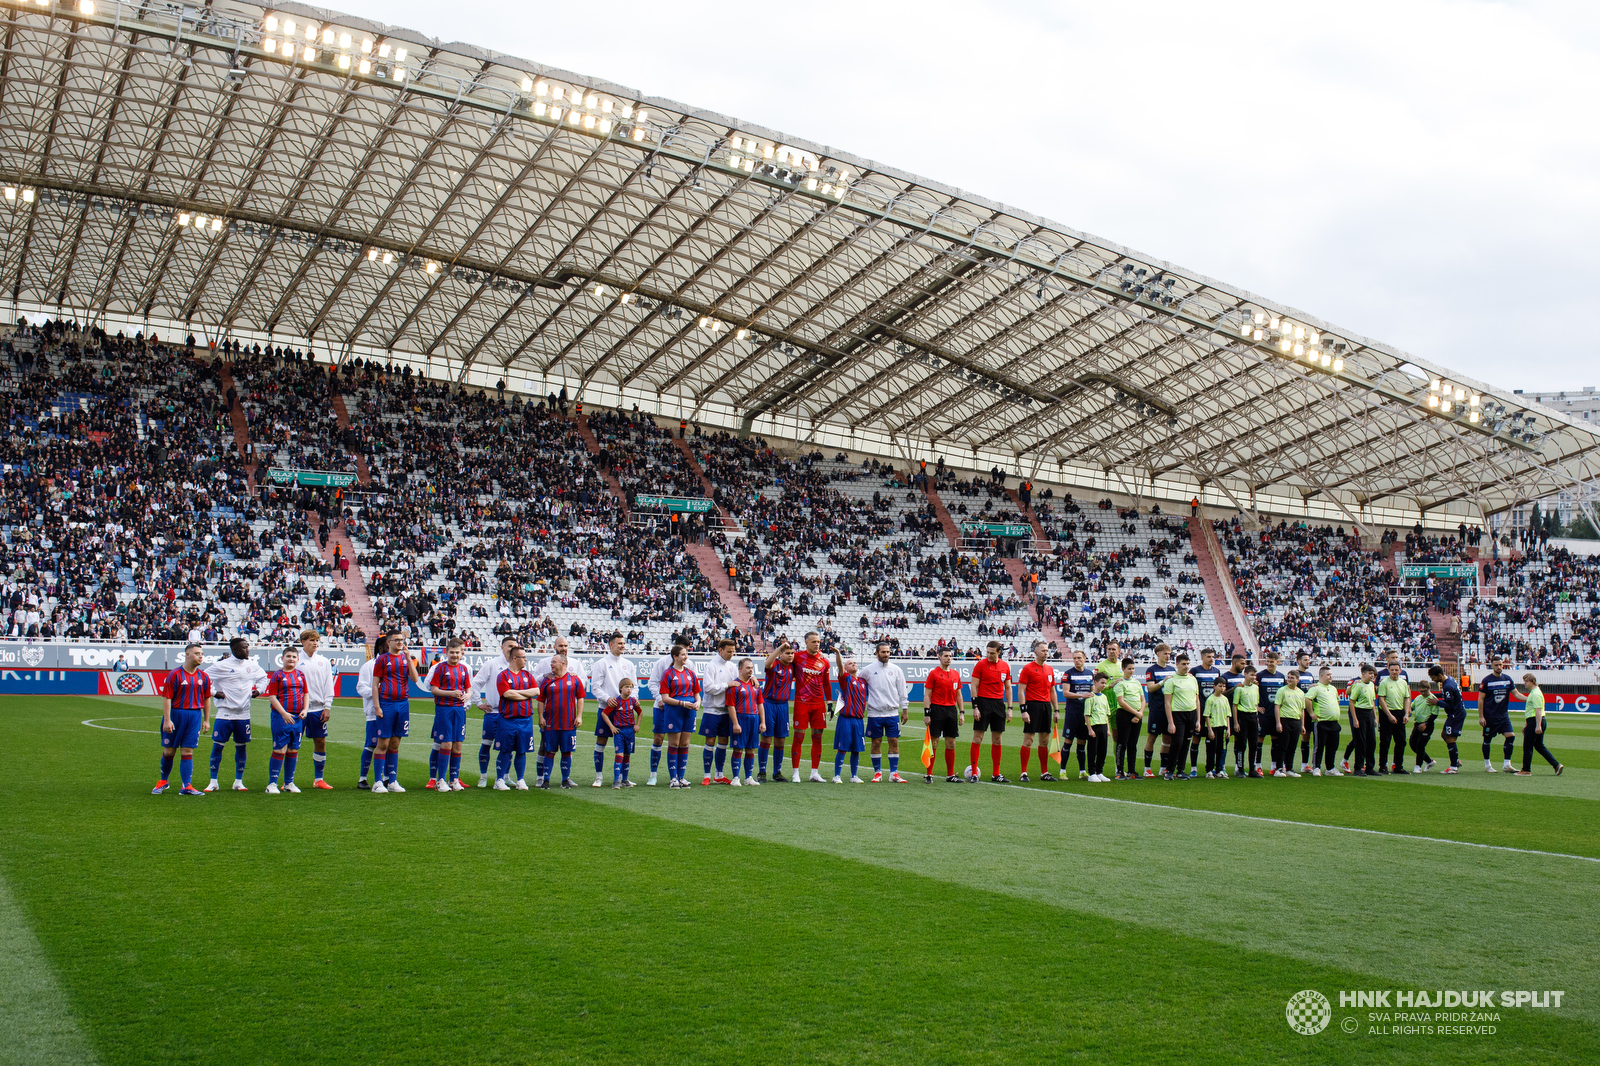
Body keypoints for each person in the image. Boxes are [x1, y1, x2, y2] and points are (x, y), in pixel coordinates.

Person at [205, 637, 268, 792]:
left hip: (243, 714)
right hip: (224, 713)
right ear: (234, 650)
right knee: (218, 747)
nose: (247, 650)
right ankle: (213, 781)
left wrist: (259, 690)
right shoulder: (221, 666)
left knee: (241, 747)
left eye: (247, 646)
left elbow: (263, 678)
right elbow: (204, 679)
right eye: (244, 647)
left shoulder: (252, 665)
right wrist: (214, 692)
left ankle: (238, 782)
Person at [153, 642, 212, 796]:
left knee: (188, 750)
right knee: (170, 750)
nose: (200, 656)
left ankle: (186, 786)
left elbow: (206, 699)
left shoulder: (204, 676)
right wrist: (167, 720)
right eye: (197, 653)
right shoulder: (175, 674)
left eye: (202, 654)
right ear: (187, 655)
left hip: (194, 716)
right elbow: (167, 698)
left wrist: (206, 720)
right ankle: (163, 781)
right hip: (176, 714)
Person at [371, 630, 421, 793]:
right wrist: (377, 706)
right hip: (386, 703)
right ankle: (378, 782)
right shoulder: (382, 660)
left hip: (402, 704)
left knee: (395, 743)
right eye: (397, 640)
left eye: (402, 639)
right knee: (383, 742)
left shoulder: (406, 659)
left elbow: (415, 679)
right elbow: (375, 684)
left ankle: (392, 780)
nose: (400, 642)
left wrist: (408, 658)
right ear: (388, 642)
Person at [588, 632, 636, 788]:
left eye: (623, 643)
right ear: (611, 645)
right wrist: (607, 698)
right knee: (601, 741)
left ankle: (623, 778)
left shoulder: (628, 664)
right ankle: (598, 776)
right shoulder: (601, 663)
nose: (622, 646)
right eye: (619, 643)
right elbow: (595, 687)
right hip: (607, 709)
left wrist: (634, 701)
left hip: (624, 713)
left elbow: (633, 687)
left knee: (625, 747)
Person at [425, 637, 473, 791]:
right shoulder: (440, 668)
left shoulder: (464, 669)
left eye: (457, 653)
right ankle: (440, 780)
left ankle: (454, 779)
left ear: (461, 653)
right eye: (452, 652)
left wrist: (468, 695)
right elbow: (434, 690)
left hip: (459, 710)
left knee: (458, 744)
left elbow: (469, 689)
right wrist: (451, 693)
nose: (455, 655)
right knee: (446, 743)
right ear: (446, 653)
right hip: (444, 709)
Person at [859, 640, 910, 783]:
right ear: (877, 653)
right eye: (883, 652)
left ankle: (894, 773)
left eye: (888, 652)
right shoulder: (868, 670)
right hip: (875, 713)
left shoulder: (897, 670)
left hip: (892, 712)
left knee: (894, 741)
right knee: (876, 742)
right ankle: (877, 773)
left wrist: (904, 709)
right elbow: (858, 686)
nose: (886, 654)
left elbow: (902, 691)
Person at [472, 636, 518, 787]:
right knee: (486, 744)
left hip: (510, 713)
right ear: (502, 647)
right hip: (493, 712)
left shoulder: (517, 666)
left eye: (515, 646)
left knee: (508, 747)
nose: (512, 649)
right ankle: (483, 776)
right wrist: (478, 702)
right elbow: (476, 683)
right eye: (509, 646)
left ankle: (505, 776)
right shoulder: (492, 664)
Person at [263, 646, 308, 794]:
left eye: (294, 657)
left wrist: (305, 710)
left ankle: (289, 783)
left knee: (293, 749)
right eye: (288, 656)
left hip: (297, 718)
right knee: (280, 749)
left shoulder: (301, 674)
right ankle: (272, 784)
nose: (291, 659)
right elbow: (272, 696)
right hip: (281, 717)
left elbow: (306, 694)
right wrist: (283, 713)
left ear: (298, 659)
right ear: (282, 658)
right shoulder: (277, 675)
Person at [536, 655, 586, 789]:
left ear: (563, 663)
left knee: (566, 751)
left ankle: (565, 779)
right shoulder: (547, 681)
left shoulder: (574, 680)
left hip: (569, 723)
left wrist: (579, 716)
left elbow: (580, 698)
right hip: (551, 723)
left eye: (554, 662)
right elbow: (540, 700)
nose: (551, 664)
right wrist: (541, 717)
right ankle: (546, 780)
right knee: (549, 751)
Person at [494, 645, 539, 790]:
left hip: (525, 720)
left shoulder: (527, 675)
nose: (525, 660)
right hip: (508, 719)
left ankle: (520, 779)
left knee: (522, 750)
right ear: (514, 658)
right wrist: (525, 695)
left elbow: (536, 691)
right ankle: (499, 779)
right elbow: (507, 694)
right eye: (523, 657)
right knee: (505, 750)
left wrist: (517, 692)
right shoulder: (503, 675)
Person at [657, 645, 703, 789]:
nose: (686, 657)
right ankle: (673, 778)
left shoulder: (691, 673)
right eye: (682, 654)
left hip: (689, 711)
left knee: (685, 744)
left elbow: (697, 694)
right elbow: (664, 698)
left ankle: (681, 777)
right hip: (674, 711)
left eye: (686, 654)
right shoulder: (668, 673)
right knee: (674, 744)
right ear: (675, 657)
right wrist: (682, 703)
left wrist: (697, 703)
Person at [968, 640, 1012, 783]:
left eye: (992, 653)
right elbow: (974, 686)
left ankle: (996, 774)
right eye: (987, 652)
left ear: (999, 652)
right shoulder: (980, 665)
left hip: (999, 704)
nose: (989, 655)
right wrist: (975, 707)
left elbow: (1008, 688)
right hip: (983, 703)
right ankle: (974, 773)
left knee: (998, 739)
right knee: (977, 738)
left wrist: (1010, 708)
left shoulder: (1005, 666)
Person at [791, 631, 831, 783]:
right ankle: (796, 772)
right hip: (802, 702)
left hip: (818, 704)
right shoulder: (797, 657)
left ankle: (814, 772)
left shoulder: (824, 661)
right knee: (799, 736)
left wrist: (829, 703)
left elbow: (827, 684)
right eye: (813, 641)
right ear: (806, 642)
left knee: (818, 738)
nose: (817, 644)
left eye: (818, 641)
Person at [297, 629, 336, 789]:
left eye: (317, 640)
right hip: (299, 710)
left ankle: (318, 779)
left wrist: (327, 707)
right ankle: (288, 780)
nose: (315, 643)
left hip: (318, 709)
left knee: (320, 742)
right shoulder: (296, 659)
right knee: (293, 744)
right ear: (303, 642)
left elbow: (328, 684)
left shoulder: (324, 661)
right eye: (311, 640)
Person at [647, 641, 688, 786]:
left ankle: (677, 776)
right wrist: (659, 699)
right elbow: (652, 683)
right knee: (658, 739)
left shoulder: (689, 664)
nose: (686, 653)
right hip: (661, 707)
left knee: (680, 742)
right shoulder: (661, 663)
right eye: (684, 649)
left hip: (679, 709)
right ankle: (653, 774)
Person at [699, 638, 740, 786]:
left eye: (733, 652)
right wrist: (726, 685)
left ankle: (719, 774)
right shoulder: (711, 666)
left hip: (727, 711)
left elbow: (739, 681)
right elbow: (708, 688)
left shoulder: (732, 666)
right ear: (720, 650)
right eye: (728, 651)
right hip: (712, 710)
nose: (731, 654)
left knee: (723, 742)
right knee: (710, 741)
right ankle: (706, 775)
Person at [1016, 642, 1059, 783]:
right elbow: (1021, 690)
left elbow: (1052, 691)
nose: (1046, 653)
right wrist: (1024, 710)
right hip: (1032, 706)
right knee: (1029, 740)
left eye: (1047, 650)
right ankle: (1023, 772)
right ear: (1035, 652)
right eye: (1043, 650)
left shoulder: (1050, 670)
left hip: (1046, 706)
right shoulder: (1027, 669)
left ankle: (1044, 772)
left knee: (1044, 741)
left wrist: (1056, 710)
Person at [924, 647, 966, 783]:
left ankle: (950, 775)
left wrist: (962, 712)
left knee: (951, 743)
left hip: (951, 710)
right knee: (934, 742)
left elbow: (959, 695)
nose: (949, 658)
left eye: (950, 656)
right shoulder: (933, 674)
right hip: (937, 710)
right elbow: (927, 695)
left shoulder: (955, 674)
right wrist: (927, 713)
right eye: (946, 656)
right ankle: (929, 774)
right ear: (939, 657)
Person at [1514, 672, 1563, 776]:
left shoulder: (1535, 694)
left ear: (1532, 681)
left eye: (1526, 681)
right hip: (1535, 721)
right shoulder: (1535, 692)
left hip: (1535, 721)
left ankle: (1526, 769)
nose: (1525, 684)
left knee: (1527, 746)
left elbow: (1538, 710)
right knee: (1539, 746)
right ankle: (1556, 765)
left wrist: (1537, 725)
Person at [356, 634, 389, 789]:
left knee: (390, 744)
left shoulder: (395, 664)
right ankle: (363, 778)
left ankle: (388, 777)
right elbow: (361, 688)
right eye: (389, 645)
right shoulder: (368, 666)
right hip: (374, 712)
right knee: (371, 744)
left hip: (392, 710)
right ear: (381, 647)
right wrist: (378, 692)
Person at [1160, 653, 1200, 780]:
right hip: (1178, 714)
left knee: (1186, 743)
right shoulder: (1171, 680)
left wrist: (1198, 720)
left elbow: (1197, 700)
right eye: (1183, 664)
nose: (1186, 666)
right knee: (1177, 742)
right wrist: (1171, 722)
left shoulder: (1193, 679)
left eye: (1187, 664)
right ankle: (1169, 770)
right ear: (1177, 665)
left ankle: (1181, 770)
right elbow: (1167, 702)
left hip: (1191, 714)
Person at [759, 641, 794, 782]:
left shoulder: (792, 668)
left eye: (792, 653)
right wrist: (780, 647)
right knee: (766, 738)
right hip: (769, 704)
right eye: (787, 653)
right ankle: (762, 772)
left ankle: (777, 772)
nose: (791, 656)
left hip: (783, 706)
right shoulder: (774, 665)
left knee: (780, 740)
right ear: (781, 654)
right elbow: (767, 664)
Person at [727, 659, 764, 786]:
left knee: (751, 749)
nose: (750, 670)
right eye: (748, 667)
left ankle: (748, 777)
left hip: (754, 719)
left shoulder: (755, 685)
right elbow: (731, 706)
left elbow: (760, 704)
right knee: (738, 749)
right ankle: (735, 777)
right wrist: (735, 723)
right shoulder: (735, 685)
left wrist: (762, 722)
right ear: (740, 668)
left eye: (752, 668)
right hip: (741, 718)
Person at [832, 651, 868, 783]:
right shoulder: (845, 678)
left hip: (858, 720)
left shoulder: (863, 682)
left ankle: (854, 776)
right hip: (846, 718)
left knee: (856, 749)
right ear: (846, 668)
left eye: (854, 663)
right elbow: (840, 666)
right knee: (843, 748)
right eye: (850, 663)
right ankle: (837, 775)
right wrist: (838, 654)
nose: (853, 664)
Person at [1188, 647, 1224, 777]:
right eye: (1209, 657)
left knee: (1212, 740)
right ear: (1202, 657)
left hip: (1213, 713)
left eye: (1213, 656)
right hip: (1199, 710)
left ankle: (1211, 768)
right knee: (1196, 738)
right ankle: (1193, 768)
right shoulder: (1195, 671)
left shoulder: (1216, 672)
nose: (1211, 659)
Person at [1141, 643, 1176, 777]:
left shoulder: (1173, 669)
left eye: (1169, 654)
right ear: (1158, 654)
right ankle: (1147, 768)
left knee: (1167, 739)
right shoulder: (1151, 670)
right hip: (1157, 709)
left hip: (1170, 709)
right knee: (1152, 738)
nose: (1168, 656)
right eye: (1165, 653)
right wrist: (1163, 682)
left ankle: (1163, 767)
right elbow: (1150, 688)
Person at [1477, 657, 1517, 773]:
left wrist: (1530, 699)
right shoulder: (1486, 681)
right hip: (1490, 716)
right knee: (1487, 740)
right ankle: (1487, 765)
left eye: (1500, 664)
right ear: (1491, 666)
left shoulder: (1508, 679)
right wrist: (1481, 716)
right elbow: (1481, 699)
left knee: (1511, 736)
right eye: (1496, 665)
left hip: (1503, 716)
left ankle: (1506, 764)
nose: (1499, 667)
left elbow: (1516, 694)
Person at [603, 677, 643, 787]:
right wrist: (611, 726)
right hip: (619, 732)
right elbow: (604, 714)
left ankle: (625, 780)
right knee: (619, 754)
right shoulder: (616, 701)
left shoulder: (633, 701)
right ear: (621, 688)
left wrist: (637, 725)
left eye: (631, 687)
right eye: (627, 687)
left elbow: (640, 712)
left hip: (630, 731)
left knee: (627, 755)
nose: (629, 689)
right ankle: (616, 780)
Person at [1253, 651, 1288, 776]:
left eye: (1271, 662)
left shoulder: (1281, 676)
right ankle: (1258, 766)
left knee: (1276, 740)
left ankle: (1274, 766)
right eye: (1267, 661)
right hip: (1263, 714)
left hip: (1276, 715)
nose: (1269, 664)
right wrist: (1256, 706)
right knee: (1259, 740)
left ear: (1277, 662)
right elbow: (1253, 690)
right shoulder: (1260, 675)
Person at [1376, 660, 1413, 775]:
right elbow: (1381, 699)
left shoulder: (1403, 683)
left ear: (1400, 670)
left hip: (1399, 712)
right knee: (1385, 741)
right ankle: (1382, 766)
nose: (1394, 672)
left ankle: (1398, 766)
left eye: (1396, 670)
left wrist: (1406, 713)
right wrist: (1389, 715)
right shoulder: (1384, 683)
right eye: (1392, 670)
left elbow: (1407, 698)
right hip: (1387, 713)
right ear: (1388, 670)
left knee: (1401, 741)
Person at [1062, 649, 1094, 779]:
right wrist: (1081, 695)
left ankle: (1082, 771)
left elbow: (1092, 692)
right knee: (1068, 741)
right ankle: (1062, 770)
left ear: (1085, 659)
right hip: (1072, 713)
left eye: (1079, 658)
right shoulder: (1068, 674)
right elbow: (1065, 693)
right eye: (1074, 658)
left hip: (1084, 713)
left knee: (1082, 743)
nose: (1077, 660)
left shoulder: (1089, 673)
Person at [1111, 658, 1144, 780]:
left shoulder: (1137, 682)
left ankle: (1131, 770)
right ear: (1123, 669)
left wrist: (1139, 713)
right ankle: (1119, 770)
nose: (1131, 671)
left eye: (1133, 668)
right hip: (1124, 714)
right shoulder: (1120, 683)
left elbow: (1143, 699)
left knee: (1133, 744)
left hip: (1136, 715)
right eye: (1129, 668)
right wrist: (1136, 713)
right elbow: (1121, 701)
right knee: (1122, 742)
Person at [1306, 666, 1343, 777]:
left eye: (1331, 674)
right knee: (1319, 746)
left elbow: (1337, 701)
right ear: (1321, 676)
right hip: (1322, 722)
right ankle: (1316, 767)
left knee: (1333, 747)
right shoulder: (1316, 688)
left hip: (1334, 722)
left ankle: (1330, 768)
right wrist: (1311, 713)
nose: (1330, 676)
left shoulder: (1333, 688)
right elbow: (1307, 699)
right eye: (1328, 675)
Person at [1429, 664, 1466, 774]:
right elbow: (1447, 695)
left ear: (1439, 675)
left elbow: (1450, 705)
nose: (1432, 680)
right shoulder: (1450, 679)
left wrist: (1437, 702)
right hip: (1455, 713)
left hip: (1456, 715)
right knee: (1444, 735)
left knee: (1450, 739)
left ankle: (1454, 767)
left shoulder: (1447, 686)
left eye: (1433, 677)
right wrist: (1433, 695)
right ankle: (1456, 759)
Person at [1271, 668, 1306, 777]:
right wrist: (1278, 722)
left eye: (1292, 678)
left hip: (1296, 721)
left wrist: (1302, 725)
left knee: (1292, 746)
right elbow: (1277, 706)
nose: (1289, 679)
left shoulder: (1300, 693)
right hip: (1285, 720)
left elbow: (1302, 710)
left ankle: (1289, 768)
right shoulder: (1282, 690)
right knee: (1283, 745)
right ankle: (1279, 768)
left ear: (1297, 680)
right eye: (1288, 677)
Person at [1230, 663, 1262, 777]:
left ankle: (1252, 769)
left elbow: (1255, 704)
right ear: (1245, 674)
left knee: (1254, 744)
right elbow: (1235, 705)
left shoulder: (1256, 687)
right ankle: (1240, 769)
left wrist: (1257, 718)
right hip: (1243, 716)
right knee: (1241, 744)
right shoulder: (1239, 688)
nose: (1253, 677)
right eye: (1251, 675)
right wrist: (1236, 722)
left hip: (1253, 716)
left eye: (1255, 675)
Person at [1347, 664, 1378, 777]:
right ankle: (1358, 768)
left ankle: (1370, 767)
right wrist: (1355, 719)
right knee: (1361, 742)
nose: (1372, 676)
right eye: (1370, 673)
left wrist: (1375, 717)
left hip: (1369, 713)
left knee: (1372, 742)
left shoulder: (1372, 685)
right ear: (1363, 674)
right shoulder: (1358, 685)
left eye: (1373, 674)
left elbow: (1373, 701)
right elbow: (1352, 701)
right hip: (1360, 713)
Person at [1083, 671, 1112, 782]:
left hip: (1103, 726)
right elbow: (1087, 715)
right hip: (1094, 727)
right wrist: (1090, 729)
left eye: (1105, 683)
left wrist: (1108, 729)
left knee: (1102, 750)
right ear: (1095, 682)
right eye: (1102, 683)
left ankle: (1099, 771)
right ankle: (1092, 773)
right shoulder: (1090, 697)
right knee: (1092, 750)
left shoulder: (1104, 697)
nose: (1104, 685)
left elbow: (1106, 714)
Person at [1202, 675, 1231, 779]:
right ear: (1214, 686)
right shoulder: (1210, 699)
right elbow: (1207, 715)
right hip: (1213, 727)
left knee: (1221, 749)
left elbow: (1228, 715)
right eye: (1220, 686)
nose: (1222, 688)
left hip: (1223, 727)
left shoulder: (1225, 699)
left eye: (1223, 686)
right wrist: (1209, 730)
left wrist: (1228, 728)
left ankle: (1219, 770)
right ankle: (1209, 770)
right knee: (1211, 750)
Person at [1407, 687, 1439, 772]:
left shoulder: (1432, 699)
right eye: (1421, 691)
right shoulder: (1418, 698)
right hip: (1417, 723)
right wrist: (1408, 712)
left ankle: (1418, 766)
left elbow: (1434, 714)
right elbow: (1412, 707)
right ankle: (1429, 761)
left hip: (1427, 725)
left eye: (1425, 691)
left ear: (1429, 688)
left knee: (1420, 746)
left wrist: (1426, 724)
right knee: (1412, 744)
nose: (1423, 693)